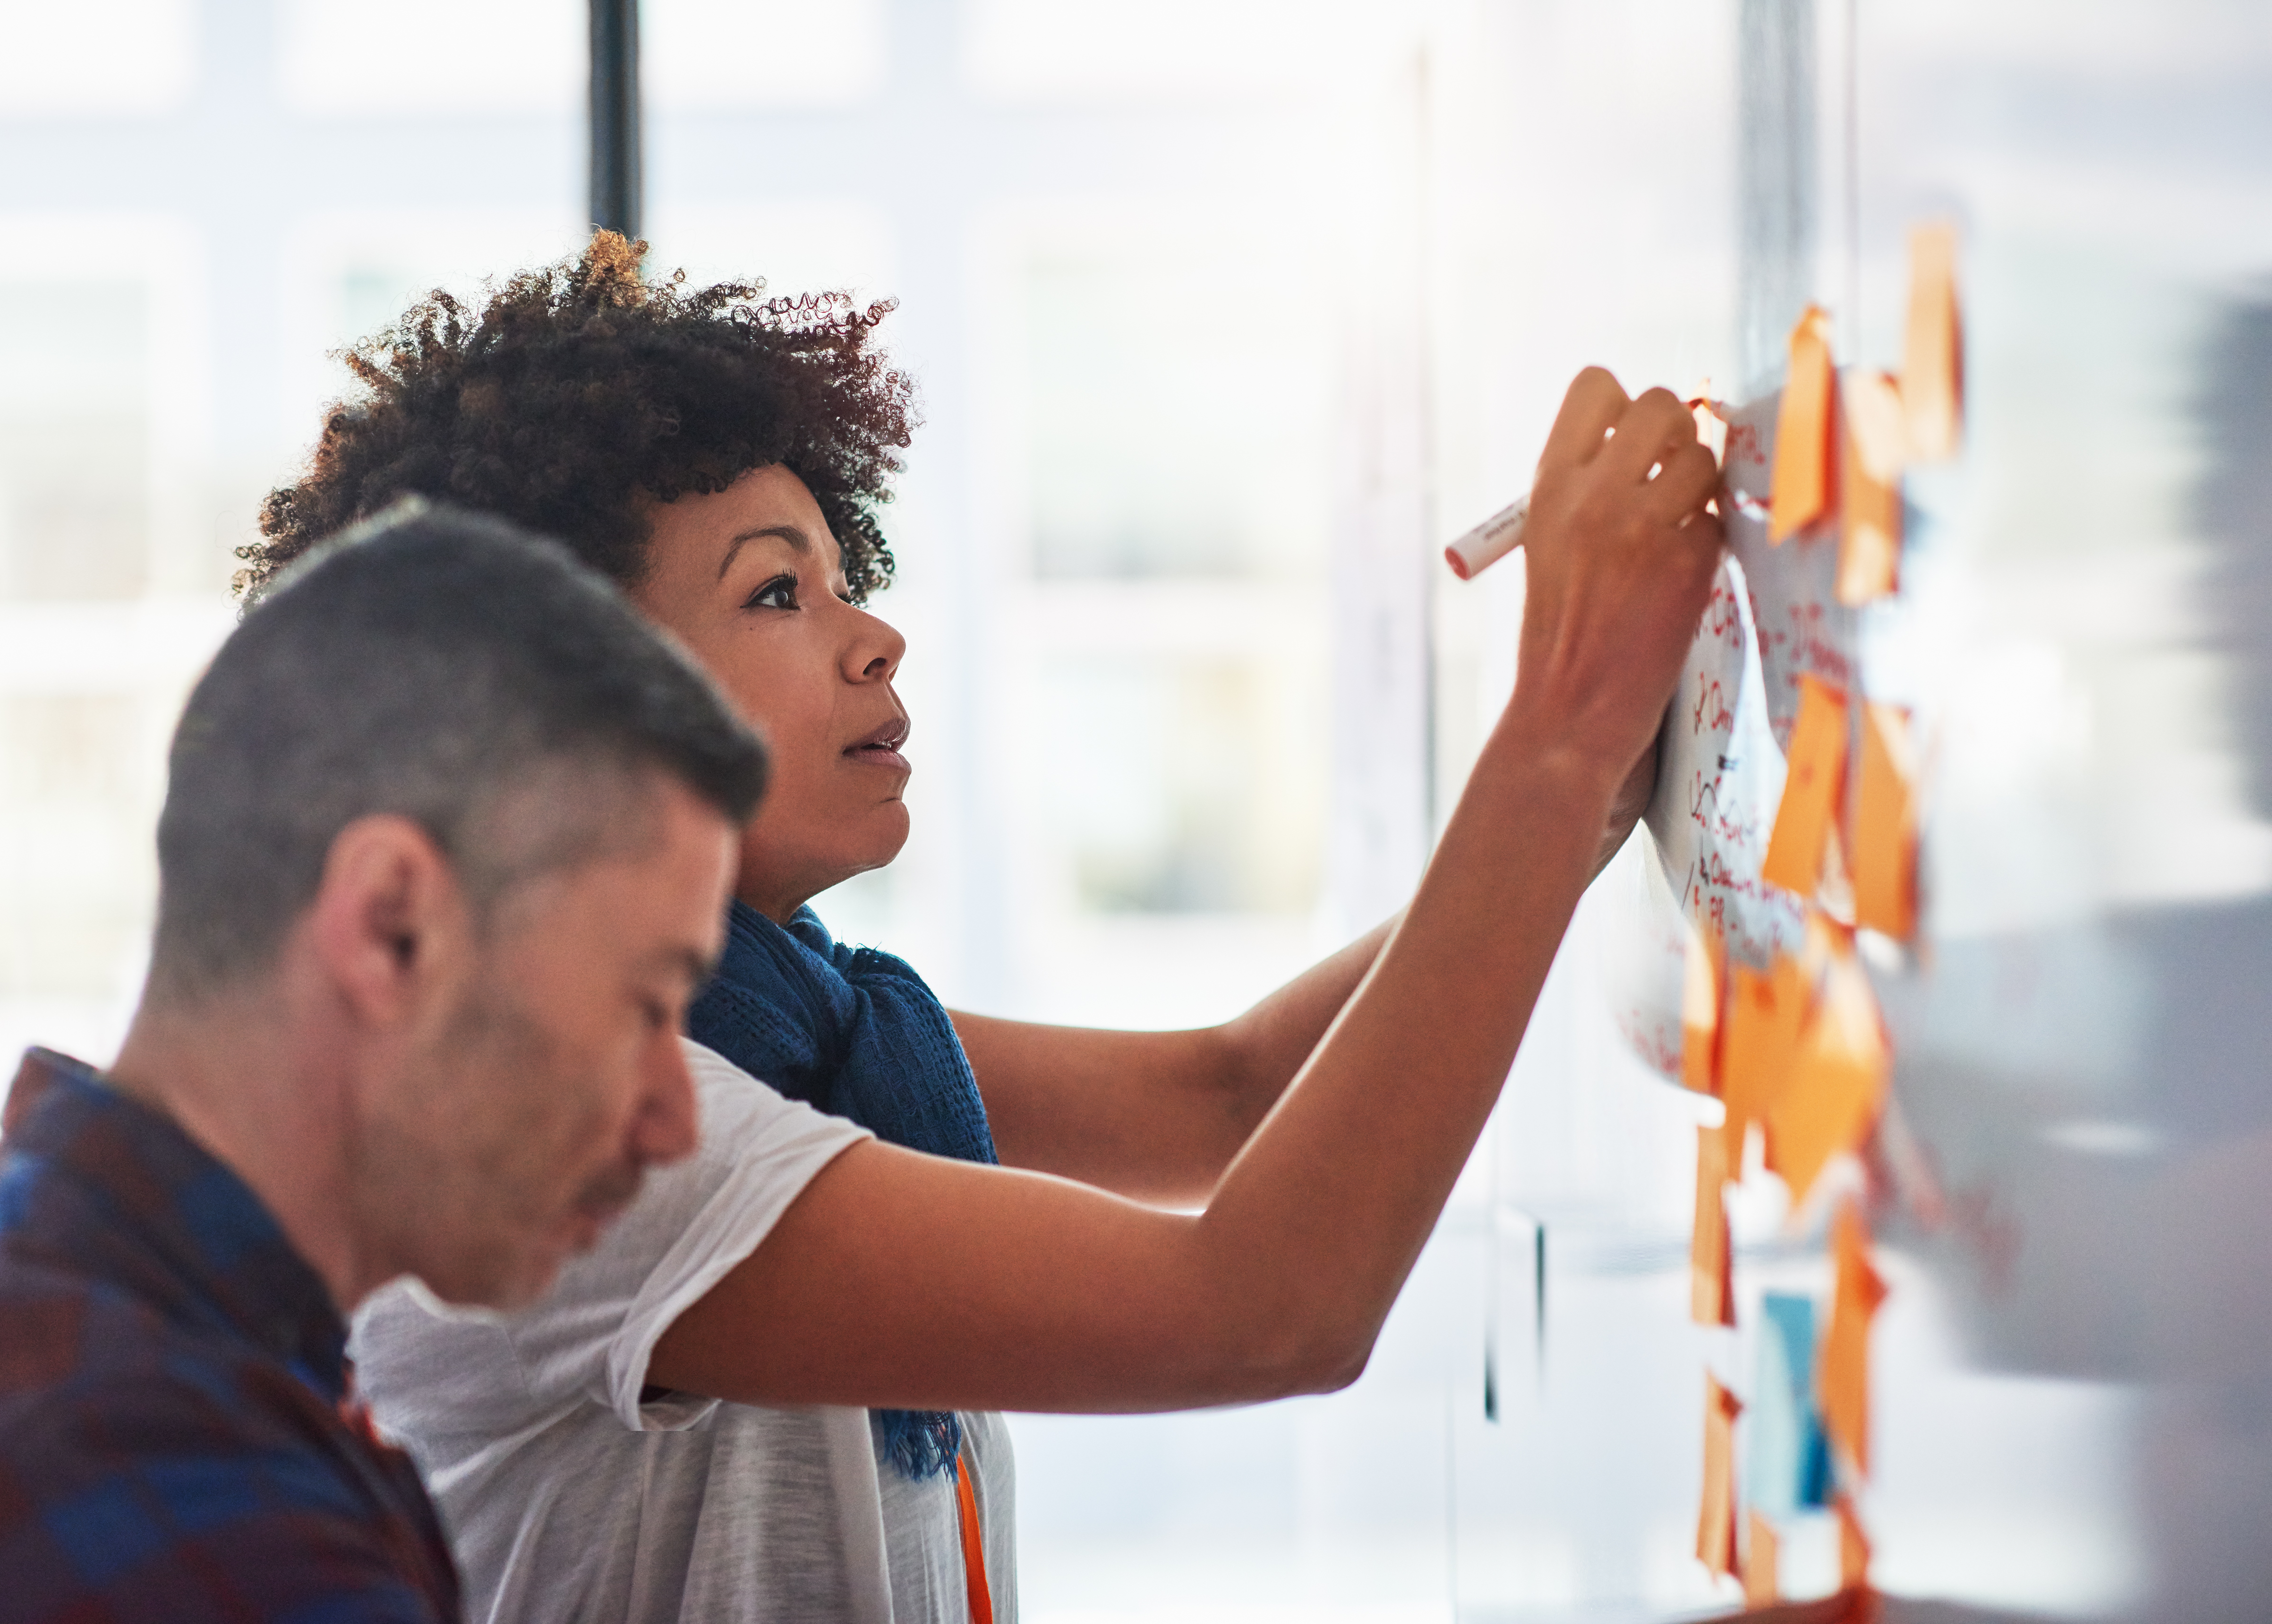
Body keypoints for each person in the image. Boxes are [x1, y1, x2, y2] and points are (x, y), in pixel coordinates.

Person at [238, 233, 1716, 1623]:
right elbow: (1269, 1307)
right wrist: (1558, 729)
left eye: (842, 577)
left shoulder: (807, 1034)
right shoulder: (566, 1137)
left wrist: (1585, 803)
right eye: (776, 591)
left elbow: (1230, 1092)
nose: (871, 633)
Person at [0, 504, 776, 1622]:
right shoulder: (138, 1454)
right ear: (391, 929)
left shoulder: (67, 1282)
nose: (674, 1120)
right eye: (643, 1005)